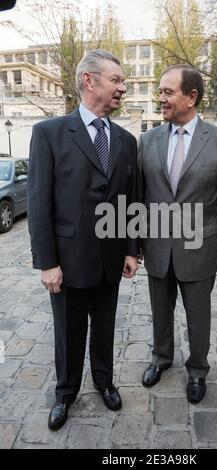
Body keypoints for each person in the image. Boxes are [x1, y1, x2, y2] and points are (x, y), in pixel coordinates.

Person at [28, 50, 139, 430]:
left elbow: (130, 201)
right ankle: (65, 393)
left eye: (123, 82)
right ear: (89, 81)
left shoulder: (126, 140)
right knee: (69, 332)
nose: (122, 88)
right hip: (68, 262)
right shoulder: (49, 133)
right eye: (116, 80)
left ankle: (105, 382)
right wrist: (47, 262)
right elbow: (39, 202)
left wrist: (131, 250)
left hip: (111, 258)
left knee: (105, 328)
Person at [138, 64, 217, 404]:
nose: (161, 98)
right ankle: (161, 358)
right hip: (157, 246)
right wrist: (135, 244)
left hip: (200, 248)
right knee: (159, 310)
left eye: (168, 92)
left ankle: (197, 370)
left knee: (198, 315)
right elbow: (140, 197)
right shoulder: (148, 140)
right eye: (160, 91)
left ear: (192, 97)